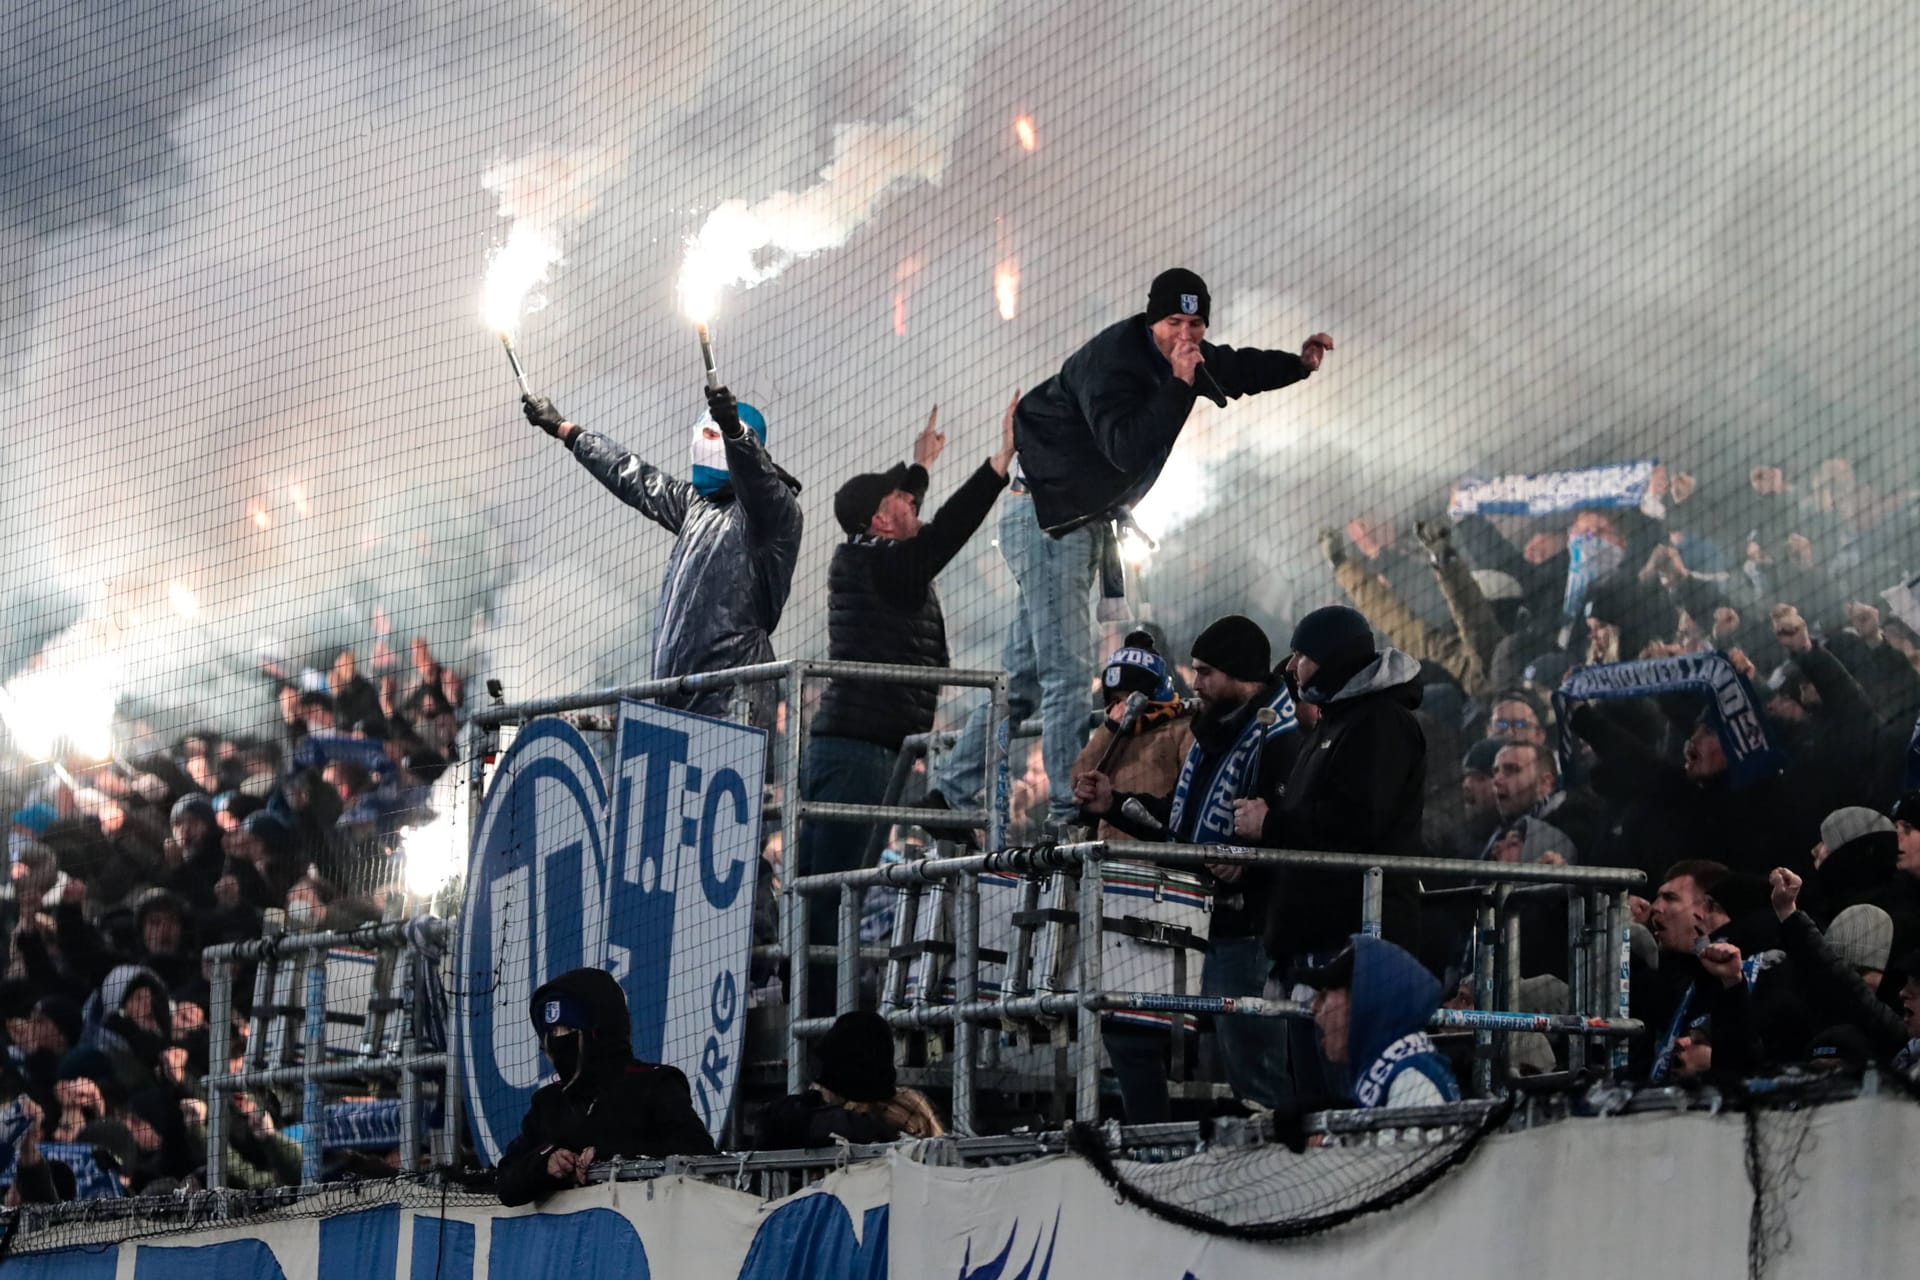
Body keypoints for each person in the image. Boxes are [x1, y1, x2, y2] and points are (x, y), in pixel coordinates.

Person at [928, 269, 1332, 834]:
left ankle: (948, 790)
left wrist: (1297, 365)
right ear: (1151, 320)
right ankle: (1069, 817)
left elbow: (1237, 368)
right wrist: (1176, 382)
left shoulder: (1183, 355)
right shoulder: (1114, 363)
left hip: (1072, 522)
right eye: (1173, 323)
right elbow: (1123, 448)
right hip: (1048, 522)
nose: (1184, 335)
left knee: (1022, 677)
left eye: (1195, 324)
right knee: (1069, 674)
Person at [794, 398, 1016, 1009]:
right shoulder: (883, 563)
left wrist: (919, 468)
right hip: (858, 756)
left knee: (828, 895)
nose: (911, 499)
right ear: (879, 520)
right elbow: (942, 532)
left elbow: (914, 519)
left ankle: (815, 1027)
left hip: (865, 752)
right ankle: (817, 1035)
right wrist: (998, 465)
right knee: (833, 900)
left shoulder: (878, 556)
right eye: (901, 498)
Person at [1073, 616, 1302, 1119]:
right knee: (1131, 1028)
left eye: (1205, 672)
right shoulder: (1213, 730)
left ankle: (1287, 1164)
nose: (1194, 683)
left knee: (1254, 1069)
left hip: (1243, 930)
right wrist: (1113, 803)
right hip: (1183, 912)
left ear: (1240, 673)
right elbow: (1181, 826)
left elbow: (1298, 837)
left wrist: (1251, 860)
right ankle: (1149, 1145)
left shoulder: (1281, 736)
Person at [522, 385, 803, 728]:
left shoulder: (774, 511)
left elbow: (759, 483)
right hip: (676, 696)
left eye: (713, 433)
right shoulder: (697, 505)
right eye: (700, 433)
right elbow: (634, 476)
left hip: (733, 702)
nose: (701, 442)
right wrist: (566, 430)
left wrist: (735, 432)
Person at [494, 968, 715, 1205]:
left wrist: (610, 1157)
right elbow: (506, 1182)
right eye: (553, 1033)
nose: (561, 1041)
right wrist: (546, 1164)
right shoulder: (549, 1103)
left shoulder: (654, 1085)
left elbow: (698, 1154)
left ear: (600, 1033)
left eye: (569, 1031)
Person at [1296, 936, 1459, 1109]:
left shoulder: (1412, 1079)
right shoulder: (1390, 1072)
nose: (1315, 1007)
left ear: (1362, 1003)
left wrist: (1325, 1136)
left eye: (1324, 995)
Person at [757, 1011, 943, 1148]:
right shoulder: (914, 1110)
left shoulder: (861, 1129)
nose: (819, 1089)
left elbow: (770, 1122)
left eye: (823, 1086)